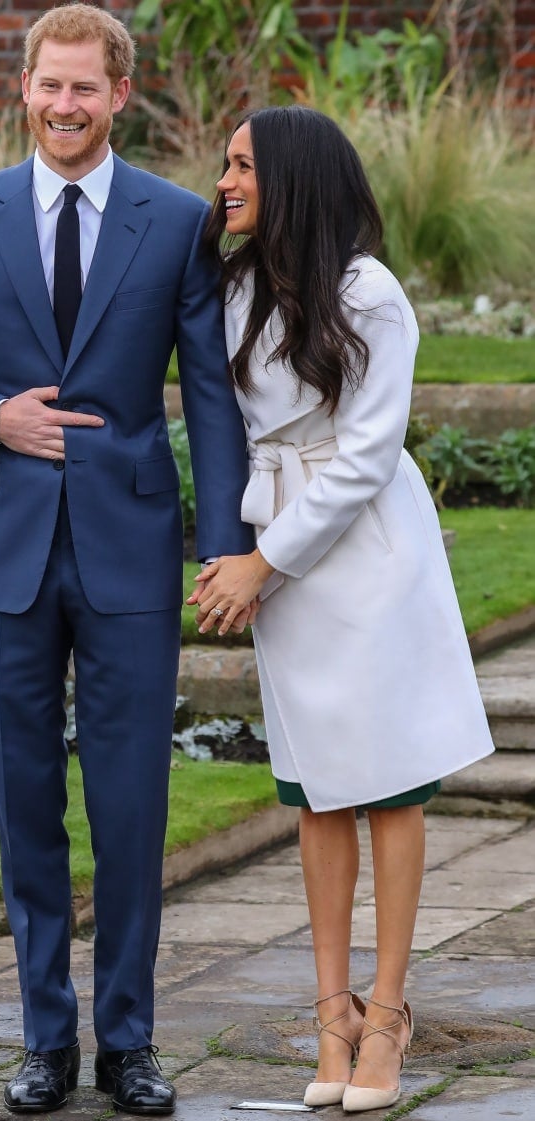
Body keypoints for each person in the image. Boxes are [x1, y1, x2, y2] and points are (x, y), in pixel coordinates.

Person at [0, 4, 253, 1116]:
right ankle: (46, 1036)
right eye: (50, 86)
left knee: (131, 802)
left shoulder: (178, 220)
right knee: (22, 796)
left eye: (86, 88)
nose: (66, 106)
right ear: (26, 88)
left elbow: (212, 396)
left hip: (132, 549)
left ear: (118, 95)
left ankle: (129, 1039)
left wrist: (226, 539)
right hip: (6, 550)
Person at [188, 105, 495, 1113]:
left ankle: (391, 1012)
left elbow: (365, 454)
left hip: (363, 554)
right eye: (224, 163)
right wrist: (237, 552)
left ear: (292, 177)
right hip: (274, 553)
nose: (224, 179)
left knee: (389, 785)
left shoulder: (369, 293)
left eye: (241, 165)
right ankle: (333, 1012)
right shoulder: (231, 288)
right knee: (314, 785)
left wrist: (261, 564)